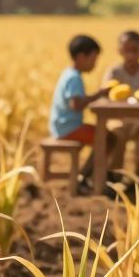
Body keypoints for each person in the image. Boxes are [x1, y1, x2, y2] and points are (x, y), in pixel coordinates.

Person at [48, 34, 116, 186]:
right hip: (68, 128)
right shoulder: (74, 78)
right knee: (107, 139)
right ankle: (85, 176)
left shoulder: (69, 73)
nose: (94, 64)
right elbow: (76, 104)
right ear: (81, 57)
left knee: (106, 137)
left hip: (62, 125)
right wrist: (97, 95)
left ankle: (86, 174)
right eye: (93, 59)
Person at [103, 30, 139, 175]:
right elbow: (105, 96)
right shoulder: (113, 72)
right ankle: (115, 174)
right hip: (118, 121)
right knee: (115, 137)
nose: (130, 55)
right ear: (120, 51)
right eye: (127, 51)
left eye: (134, 51)